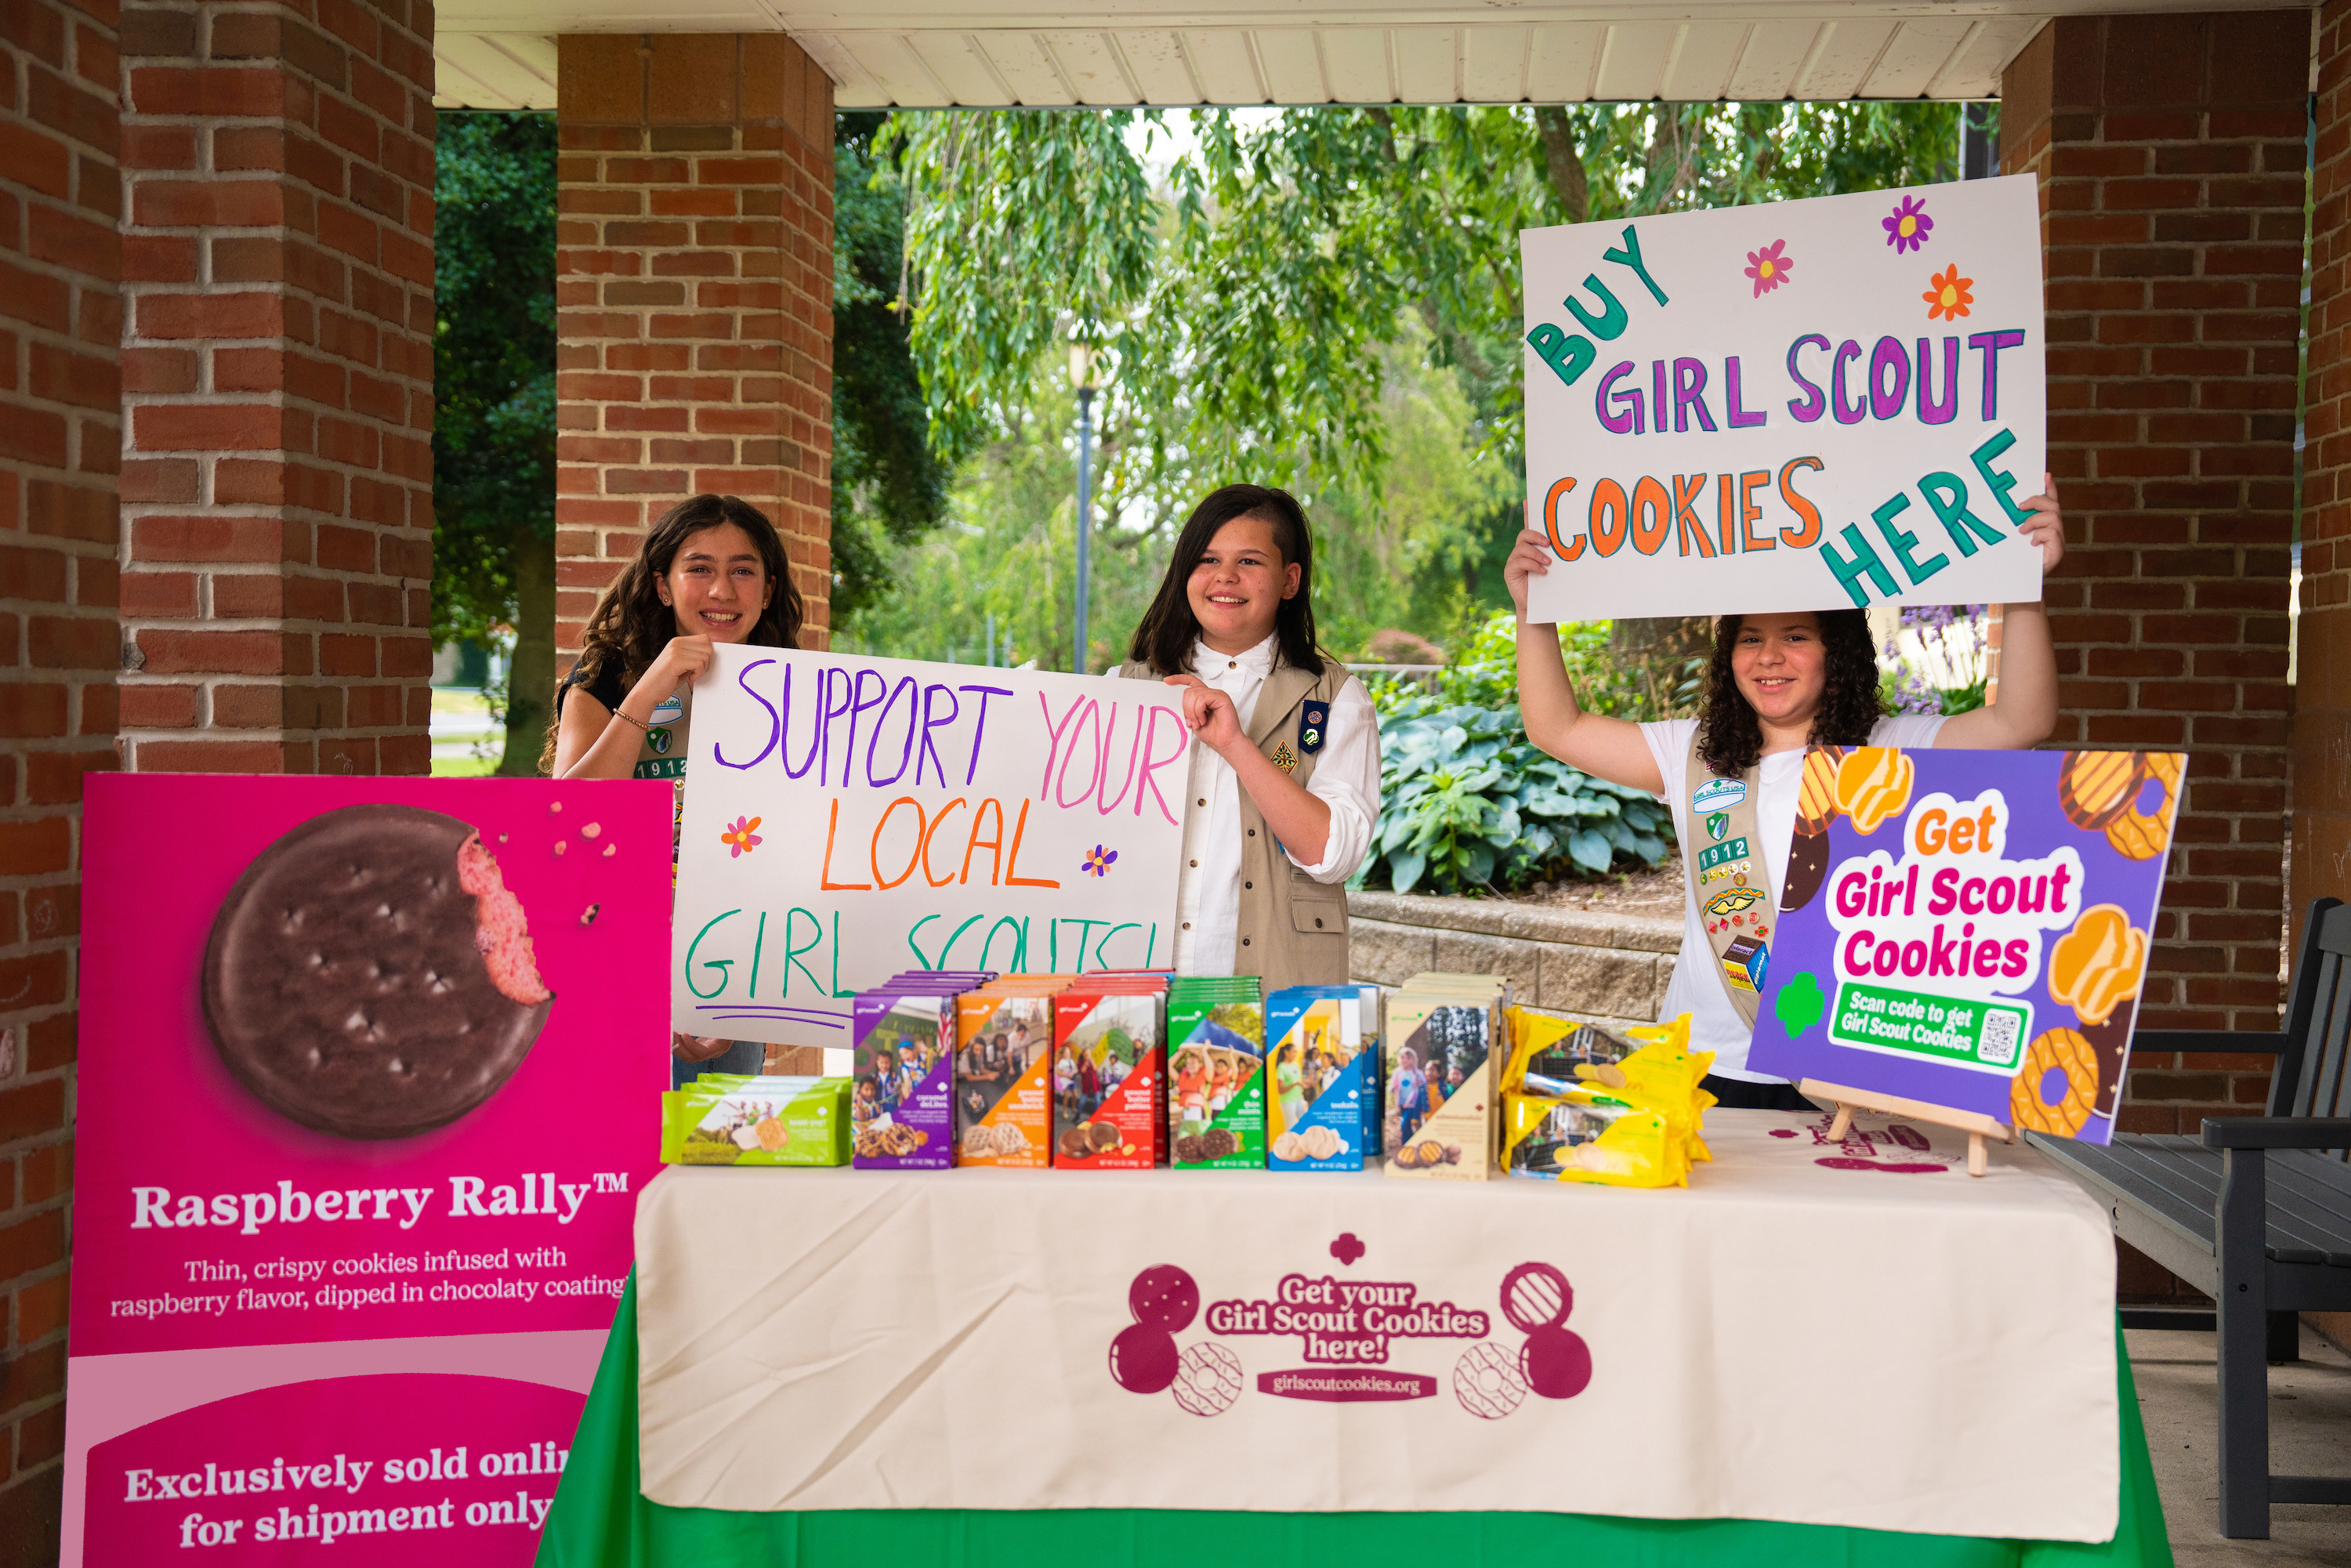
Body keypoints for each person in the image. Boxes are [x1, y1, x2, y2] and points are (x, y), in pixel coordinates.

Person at [1504, 479, 2067, 1110]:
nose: (1769, 657)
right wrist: (1534, 611)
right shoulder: (1693, 751)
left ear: (1837, 651)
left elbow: (2023, 720)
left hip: (1842, 1080)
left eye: (1796, 635)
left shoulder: (1891, 746)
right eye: (1750, 638)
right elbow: (1556, 728)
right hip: (1698, 1068)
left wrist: (2025, 590)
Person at [546, 494, 806, 1088]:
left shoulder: (790, 689)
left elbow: (800, 850)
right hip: (617, 955)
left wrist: (747, 991)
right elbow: (570, 811)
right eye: (700, 568)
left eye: (743, 570)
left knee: (720, 1158)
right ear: (662, 585)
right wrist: (653, 683)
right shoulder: (605, 675)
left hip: (732, 961)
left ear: (767, 590)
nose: (722, 589)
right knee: (628, 1161)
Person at [1119, 484, 1379, 990]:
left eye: (1250, 561)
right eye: (1208, 558)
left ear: (1289, 580)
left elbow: (1333, 854)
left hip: (1271, 989)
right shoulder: (1124, 688)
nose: (1225, 577)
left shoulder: (1336, 698)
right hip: (1137, 985)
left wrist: (1237, 744)